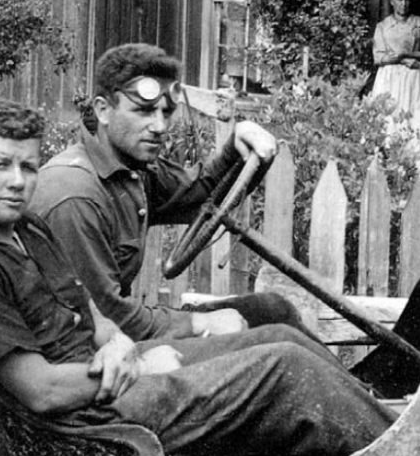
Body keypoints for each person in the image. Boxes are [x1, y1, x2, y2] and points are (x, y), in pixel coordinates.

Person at [0, 99, 393, 456]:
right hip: (78, 428)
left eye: (28, 167)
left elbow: (90, 310)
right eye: (0, 166)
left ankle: (377, 440)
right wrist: (139, 367)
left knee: (280, 336)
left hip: (106, 380)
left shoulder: (25, 228)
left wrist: (118, 343)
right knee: (286, 371)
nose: (18, 182)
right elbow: (39, 392)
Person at [31, 43, 312, 345]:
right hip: (100, 359)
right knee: (279, 346)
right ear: (103, 110)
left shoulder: (130, 169)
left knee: (270, 310)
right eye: (144, 111)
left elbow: (201, 195)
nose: (160, 126)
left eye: (167, 112)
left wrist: (236, 148)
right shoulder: (74, 194)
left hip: (127, 336)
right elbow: (105, 317)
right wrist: (197, 322)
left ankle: (363, 393)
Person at [367, 0, 420, 149]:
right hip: (390, 77)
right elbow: (379, 57)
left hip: (415, 76)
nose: (403, 4)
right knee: (390, 119)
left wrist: (406, 55)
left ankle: (419, 163)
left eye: (406, 0)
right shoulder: (383, 27)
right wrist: (400, 60)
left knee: (418, 118)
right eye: (399, 0)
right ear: (392, 2)